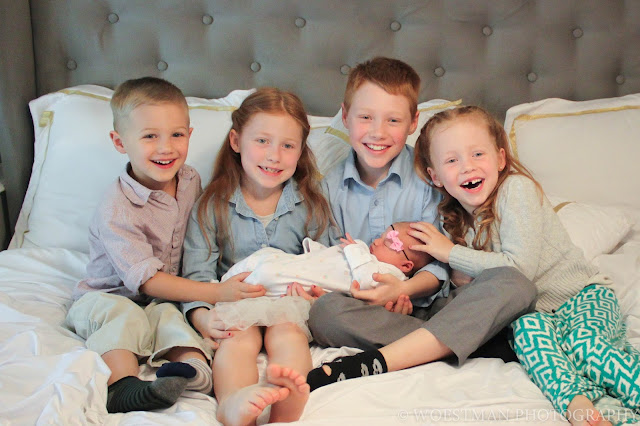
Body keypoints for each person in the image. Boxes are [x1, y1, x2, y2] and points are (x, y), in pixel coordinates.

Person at [304, 58, 536, 390]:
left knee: (513, 284)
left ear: (413, 121)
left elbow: (444, 262)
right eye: (365, 117)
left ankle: (391, 356)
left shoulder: (432, 178)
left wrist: (404, 289)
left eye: (393, 120)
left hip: (439, 305)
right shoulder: (328, 190)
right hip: (372, 311)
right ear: (345, 117)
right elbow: (332, 261)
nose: (378, 132)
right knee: (324, 313)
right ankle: (474, 342)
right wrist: (338, 292)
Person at [409, 105, 638, 425]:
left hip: (581, 297)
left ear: (500, 159)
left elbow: (518, 270)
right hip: (532, 315)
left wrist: (451, 254)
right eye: (451, 160)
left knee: (587, 346)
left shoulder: (516, 190)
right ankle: (580, 406)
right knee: (530, 339)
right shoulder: (453, 223)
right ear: (435, 176)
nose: (467, 167)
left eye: (477, 154)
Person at [66, 77, 264, 414]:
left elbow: (203, 234)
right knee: (122, 317)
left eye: (176, 135)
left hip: (163, 298)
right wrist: (215, 292)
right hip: (109, 295)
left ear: (189, 134)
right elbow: (147, 281)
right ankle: (122, 386)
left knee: (173, 320)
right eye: (149, 136)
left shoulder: (189, 180)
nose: (166, 148)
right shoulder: (116, 209)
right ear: (119, 142)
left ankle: (190, 373)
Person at [181, 87, 333, 426]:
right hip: (236, 300)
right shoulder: (212, 205)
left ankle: (287, 401)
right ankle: (233, 404)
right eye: (262, 141)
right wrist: (202, 317)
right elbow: (196, 274)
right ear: (236, 141)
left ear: (301, 151)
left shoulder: (311, 204)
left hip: (288, 303)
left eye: (288, 145)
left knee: (288, 335)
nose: (274, 156)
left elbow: (327, 261)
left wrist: (317, 293)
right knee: (236, 339)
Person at [212, 222, 433, 335]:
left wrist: (355, 250)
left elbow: (366, 279)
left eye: (387, 243)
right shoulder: (367, 253)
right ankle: (217, 288)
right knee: (265, 258)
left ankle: (220, 293)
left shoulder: (391, 276)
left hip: (307, 284)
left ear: (406, 266)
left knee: (267, 277)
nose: (376, 241)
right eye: (381, 235)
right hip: (306, 265)